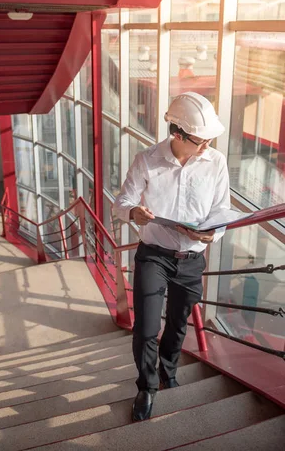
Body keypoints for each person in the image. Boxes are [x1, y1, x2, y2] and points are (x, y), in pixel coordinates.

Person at [113, 92, 230, 422]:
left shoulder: (216, 162)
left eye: (209, 140)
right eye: (200, 140)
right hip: (154, 255)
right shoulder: (147, 160)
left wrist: (212, 233)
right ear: (177, 133)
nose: (206, 146)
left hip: (192, 258)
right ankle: (146, 387)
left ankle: (167, 372)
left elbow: (221, 208)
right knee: (147, 328)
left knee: (178, 324)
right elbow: (120, 204)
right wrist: (133, 211)